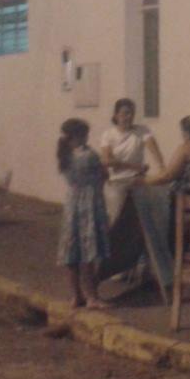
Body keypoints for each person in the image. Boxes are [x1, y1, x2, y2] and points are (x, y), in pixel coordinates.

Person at [56, 118, 110, 309]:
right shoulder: (89, 155)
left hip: (72, 205)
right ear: (78, 136)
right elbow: (104, 175)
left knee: (71, 251)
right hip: (90, 203)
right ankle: (92, 297)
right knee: (88, 252)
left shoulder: (64, 156)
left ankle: (76, 295)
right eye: (84, 135)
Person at [99, 98, 165, 225]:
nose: (129, 117)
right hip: (117, 180)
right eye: (125, 113)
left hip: (137, 178)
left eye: (131, 113)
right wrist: (134, 166)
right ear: (116, 115)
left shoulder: (142, 131)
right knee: (113, 217)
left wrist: (161, 167)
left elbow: (154, 150)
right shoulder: (108, 134)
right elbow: (106, 160)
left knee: (149, 214)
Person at [144, 114, 190, 202]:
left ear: (187, 133)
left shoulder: (186, 149)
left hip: (187, 200)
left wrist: (143, 181)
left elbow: (168, 176)